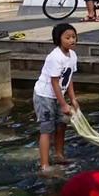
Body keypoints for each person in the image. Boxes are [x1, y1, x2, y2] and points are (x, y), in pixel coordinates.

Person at [34, 23, 79, 173]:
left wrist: (73, 99)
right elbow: (54, 82)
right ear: (58, 39)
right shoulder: (55, 57)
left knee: (61, 125)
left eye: (73, 37)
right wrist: (64, 104)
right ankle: (44, 165)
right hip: (45, 96)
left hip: (60, 95)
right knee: (47, 128)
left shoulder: (72, 55)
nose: (71, 40)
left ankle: (59, 155)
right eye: (67, 38)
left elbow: (69, 78)